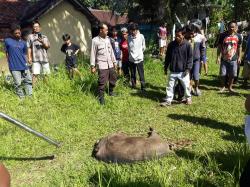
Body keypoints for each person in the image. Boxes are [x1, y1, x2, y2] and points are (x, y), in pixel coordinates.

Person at [160, 28, 193, 106]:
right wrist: (165, 67)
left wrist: (188, 68)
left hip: (183, 71)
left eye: (179, 35)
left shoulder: (187, 45)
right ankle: (168, 100)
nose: (177, 37)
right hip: (173, 70)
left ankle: (188, 98)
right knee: (170, 86)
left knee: (186, 86)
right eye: (176, 35)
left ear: (183, 35)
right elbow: (167, 57)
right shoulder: (171, 45)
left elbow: (190, 58)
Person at [90, 23, 117, 105]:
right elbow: (93, 53)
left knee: (113, 79)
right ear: (101, 30)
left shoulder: (108, 39)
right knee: (102, 82)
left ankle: (111, 92)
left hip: (110, 64)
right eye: (106, 30)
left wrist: (114, 62)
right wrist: (92, 66)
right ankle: (101, 98)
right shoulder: (95, 40)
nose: (107, 32)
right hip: (102, 65)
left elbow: (111, 51)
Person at [4, 24, 32, 99]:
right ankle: (21, 98)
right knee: (18, 83)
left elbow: (25, 54)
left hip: (24, 65)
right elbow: (7, 53)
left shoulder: (23, 43)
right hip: (14, 66)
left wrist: (27, 63)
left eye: (19, 33)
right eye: (16, 33)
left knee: (28, 81)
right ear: (12, 33)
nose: (18, 34)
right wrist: (9, 62)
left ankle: (30, 96)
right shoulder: (7, 41)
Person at [217, 21, 242, 93]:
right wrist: (218, 57)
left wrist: (239, 57)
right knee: (222, 74)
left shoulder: (239, 36)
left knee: (232, 74)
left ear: (236, 27)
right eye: (230, 27)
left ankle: (230, 87)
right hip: (224, 59)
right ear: (227, 27)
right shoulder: (222, 35)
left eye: (233, 27)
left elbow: (239, 47)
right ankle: (223, 86)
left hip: (234, 59)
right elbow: (219, 47)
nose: (231, 28)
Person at [27, 20, 50, 86]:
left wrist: (42, 42)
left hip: (44, 59)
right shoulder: (30, 36)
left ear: (40, 28)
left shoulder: (44, 37)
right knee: (35, 74)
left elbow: (47, 47)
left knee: (46, 74)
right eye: (34, 27)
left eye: (37, 26)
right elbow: (29, 47)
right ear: (33, 28)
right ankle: (34, 89)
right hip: (35, 59)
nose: (36, 28)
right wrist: (29, 57)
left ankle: (47, 88)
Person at [186, 24, 206, 96]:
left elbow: (203, 49)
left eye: (192, 33)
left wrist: (203, 59)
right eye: (189, 33)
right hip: (187, 61)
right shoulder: (185, 38)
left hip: (196, 60)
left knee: (196, 76)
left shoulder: (201, 37)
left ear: (195, 31)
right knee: (188, 76)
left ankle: (196, 87)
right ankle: (189, 87)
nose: (191, 35)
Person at [128, 23, 146, 91]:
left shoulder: (141, 36)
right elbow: (129, 48)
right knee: (132, 73)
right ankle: (133, 86)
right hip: (131, 59)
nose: (133, 32)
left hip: (139, 58)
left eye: (134, 30)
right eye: (131, 30)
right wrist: (131, 55)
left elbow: (143, 47)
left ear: (137, 30)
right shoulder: (129, 37)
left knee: (141, 73)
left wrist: (139, 53)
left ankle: (143, 87)